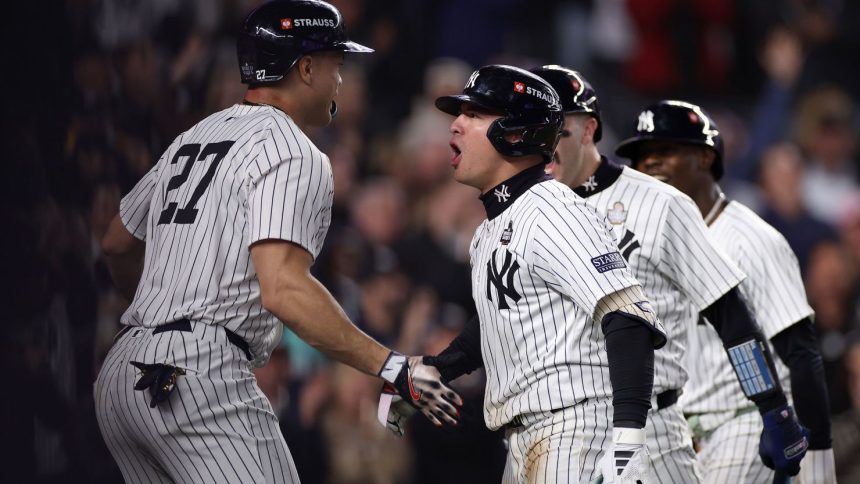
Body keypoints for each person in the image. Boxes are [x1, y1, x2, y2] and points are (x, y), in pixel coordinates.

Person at [94, 1, 461, 483]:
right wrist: (390, 364)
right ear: (305, 68)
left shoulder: (194, 137)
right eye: (336, 64)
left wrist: (158, 315)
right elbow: (283, 289)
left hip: (122, 372)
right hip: (196, 376)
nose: (341, 79)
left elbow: (116, 241)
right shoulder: (293, 149)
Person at [402, 63, 672, 483]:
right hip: (529, 439)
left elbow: (628, 319)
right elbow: (503, 319)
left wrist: (628, 437)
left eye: (473, 114)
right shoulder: (494, 225)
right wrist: (438, 368)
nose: (454, 125)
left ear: (515, 134)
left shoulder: (553, 210)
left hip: (575, 431)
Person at [617, 99, 833, 483]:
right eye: (641, 155)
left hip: (748, 421)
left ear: (704, 158)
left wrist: (819, 460)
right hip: (677, 431)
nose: (649, 163)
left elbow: (800, 353)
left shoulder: (750, 239)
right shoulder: (647, 246)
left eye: (664, 150)